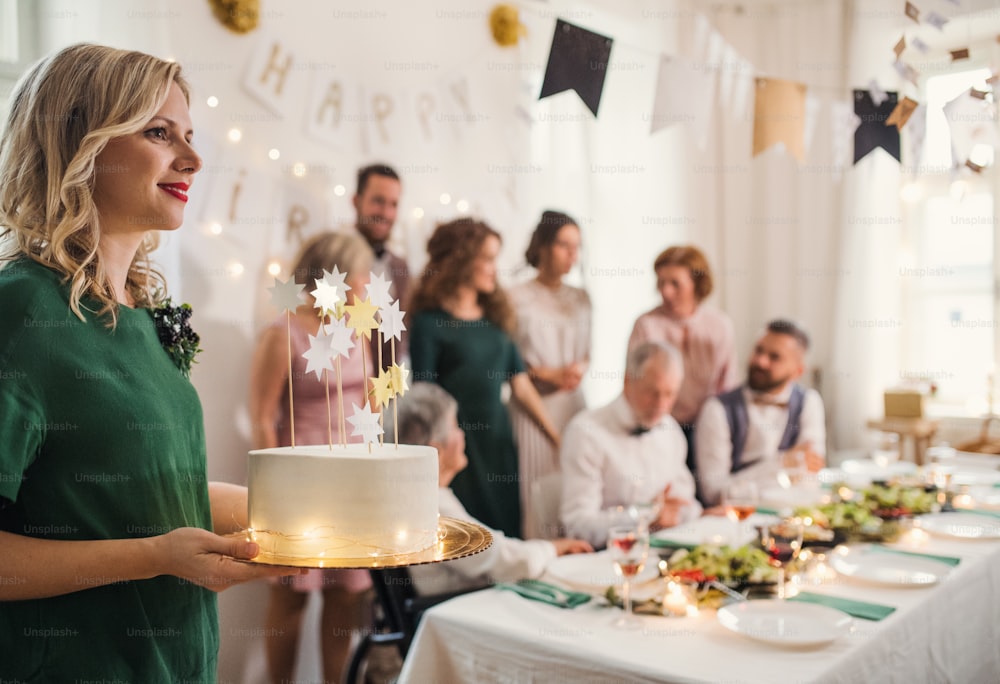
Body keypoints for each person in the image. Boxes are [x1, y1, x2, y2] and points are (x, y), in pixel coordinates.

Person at [0, 43, 295, 681]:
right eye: (159, 133)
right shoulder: (20, 309)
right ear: (80, 142)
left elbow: (143, 490)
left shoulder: (143, 310)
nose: (192, 159)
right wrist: (156, 557)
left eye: (189, 136)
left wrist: (307, 509)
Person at [249, 231, 376, 684]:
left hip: (353, 477)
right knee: (291, 594)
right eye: (360, 273)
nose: (367, 282)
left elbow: (371, 400)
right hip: (301, 479)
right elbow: (262, 416)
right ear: (334, 276)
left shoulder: (357, 328)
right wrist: (276, 489)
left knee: (345, 595)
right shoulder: (282, 332)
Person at [409, 218, 560, 539]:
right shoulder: (429, 323)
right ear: (462, 261)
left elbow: (520, 384)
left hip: (498, 441)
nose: (495, 269)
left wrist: (555, 436)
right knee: (464, 536)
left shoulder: (497, 317)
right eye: (488, 259)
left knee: (505, 529)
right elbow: (424, 397)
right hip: (458, 447)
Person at [386, 383, 592, 595]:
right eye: (456, 426)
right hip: (462, 612)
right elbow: (505, 561)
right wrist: (554, 548)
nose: (463, 434)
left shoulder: (415, 499)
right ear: (436, 449)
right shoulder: (433, 510)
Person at [561, 342, 702, 548]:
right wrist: (646, 516)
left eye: (669, 394)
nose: (661, 404)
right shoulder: (585, 432)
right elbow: (577, 526)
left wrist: (698, 513)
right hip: (606, 559)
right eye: (652, 393)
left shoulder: (670, 430)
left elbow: (684, 503)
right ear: (627, 381)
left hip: (663, 553)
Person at [509, 210, 591, 539]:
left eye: (577, 247)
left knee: (577, 484)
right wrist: (547, 373)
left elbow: (587, 352)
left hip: (573, 404)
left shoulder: (581, 298)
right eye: (564, 245)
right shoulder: (515, 297)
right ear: (543, 245)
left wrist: (576, 371)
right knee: (538, 493)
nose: (572, 255)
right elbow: (510, 363)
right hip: (533, 406)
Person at [627, 245, 739, 487]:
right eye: (661, 282)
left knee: (709, 494)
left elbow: (727, 386)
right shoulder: (646, 325)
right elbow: (632, 382)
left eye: (675, 283)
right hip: (660, 426)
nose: (666, 292)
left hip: (708, 428)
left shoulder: (719, 325)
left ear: (697, 284)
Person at [695, 319, 826, 507]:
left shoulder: (810, 402)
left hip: (790, 515)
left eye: (774, 357)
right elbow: (713, 493)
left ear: (797, 371)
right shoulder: (716, 409)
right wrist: (781, 464)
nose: (760, 361)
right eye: (759, 350)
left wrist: (745, 481)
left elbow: (810, 477)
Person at [351, 163, 409, 366]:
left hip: (386, 393)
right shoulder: (332, 259)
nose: (386, 213)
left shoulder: (401, 268)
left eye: (393, 204)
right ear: (356, 201)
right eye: (378, 201)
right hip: (339, 390)